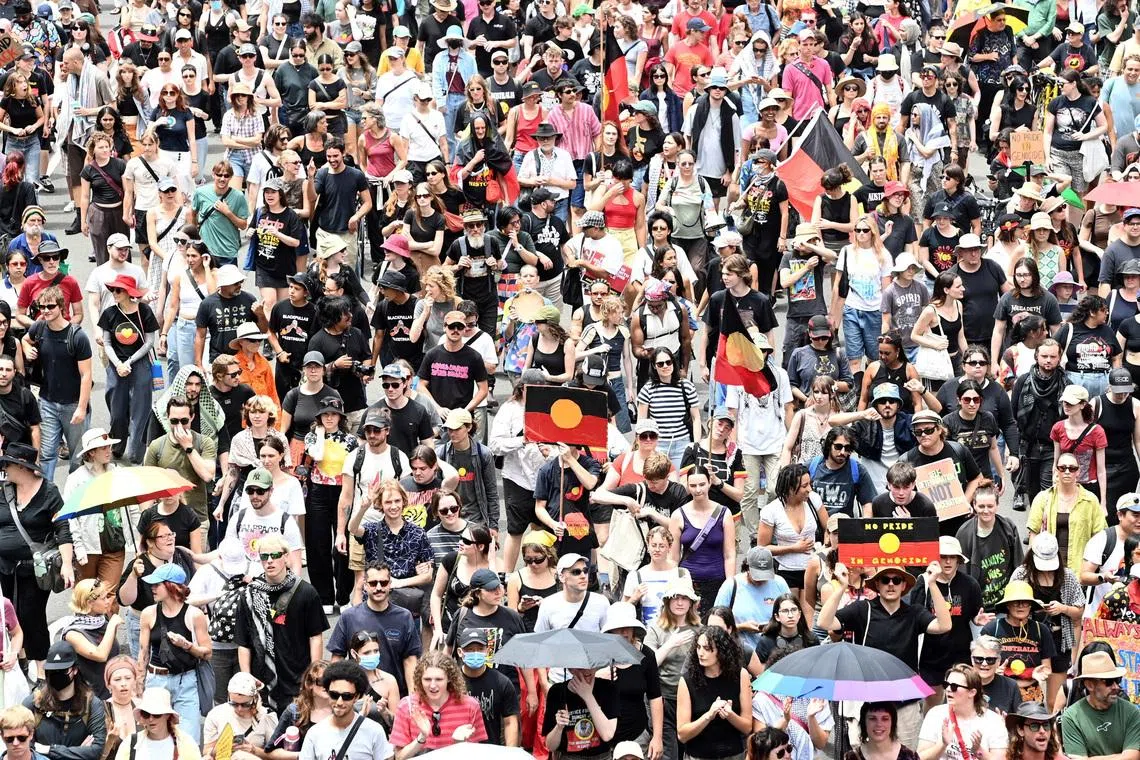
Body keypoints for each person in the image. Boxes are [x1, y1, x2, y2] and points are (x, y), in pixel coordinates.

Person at [818, 566, 953, 748]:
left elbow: (944, 625)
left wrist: (933, 584)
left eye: (896, 580)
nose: (891, 584)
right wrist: (842, 586)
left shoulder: (914, 612)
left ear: (903, 585)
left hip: (906, 700)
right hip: (869, 700)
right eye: (885, 580)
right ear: (877, 584)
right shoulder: (862, 609)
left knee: (906, 754)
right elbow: (824, 622)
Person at [235, 533, 329, 711]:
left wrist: (313, 675)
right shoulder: (249, 595)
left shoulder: (306, 592)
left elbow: (315, 637)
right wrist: (246, 677)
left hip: (297, 678)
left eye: (275, 555)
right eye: (264, 556)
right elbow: (243, 642)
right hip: (261, 681)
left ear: (286, 557)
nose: (270, 560)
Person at [20, 282, 93, 481]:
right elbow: (25, 339)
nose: (45, 311)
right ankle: (47, 498)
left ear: (61, 307)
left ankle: (75, 502)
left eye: (50, 306)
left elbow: (86, 375)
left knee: (78, 458)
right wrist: (27, 349)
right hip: (47, 403)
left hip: (73, 405)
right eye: (41, 307)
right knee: (46, 455)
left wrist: (81, 407)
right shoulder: (39, 327)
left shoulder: (77, 336)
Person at [910, 538, 987, 706]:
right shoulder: (923, 583)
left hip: (960, 655)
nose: (947, 561)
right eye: (943, 556)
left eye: (952, 557)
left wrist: (977, 619)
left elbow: (974, 613)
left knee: (960, 703)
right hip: (930, 657)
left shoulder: (970, 584)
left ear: (959, 560)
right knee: (933, 706)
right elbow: (915, 616)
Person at [327, 561, 421, 697]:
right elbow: (337, 657)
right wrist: (335, 694)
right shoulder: (349, 617)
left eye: (383, 583)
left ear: (390, 584)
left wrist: (413, 698)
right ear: (365, 586)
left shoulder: (404, 617)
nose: (378, 587)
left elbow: (410, 659)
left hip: (395, 695)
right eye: (373, 583)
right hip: (356, 696)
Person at [390, 650, 488, 754]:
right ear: (420, 679)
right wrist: (421, 737)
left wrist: (459, 743)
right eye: (427, 679)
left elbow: (477, 754)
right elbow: (399, 757)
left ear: (449, 679)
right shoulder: (407, 706)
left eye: (439, 679)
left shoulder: (470, 706)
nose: (433, 685)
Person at [24, 641, 106, 760]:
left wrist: (48, 750)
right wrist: (79, 753)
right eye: (51, 671)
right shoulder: (34, 702)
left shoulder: (92, 704)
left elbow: (96, 750)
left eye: (63, 670)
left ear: (75, 670)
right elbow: (22, 744)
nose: (56, 674)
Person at [298, 660, 393, 760]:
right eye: (334, 695)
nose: (339, 702)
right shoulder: (314, 734)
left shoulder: (374, 731)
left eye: (347, 696)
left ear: (356, 697)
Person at [956, 482, 1025, 610]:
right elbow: (961, 576)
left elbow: (1019, 566)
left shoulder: (1008, 528)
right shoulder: (964, 533)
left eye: (990, 506)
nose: (986, 511)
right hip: (978, 606)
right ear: (974, 505)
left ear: (997, 505)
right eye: (981, 506)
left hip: (1005, 602)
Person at [917, 664, 1008, 760]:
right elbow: (920, 757)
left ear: (972, 692)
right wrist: (942, 745)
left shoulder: (994, 721)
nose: (948, 689)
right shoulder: (935, 714)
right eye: (946, 685)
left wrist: (979, 751)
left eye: (954, 686)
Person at [1060, 651, 1140, 759]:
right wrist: (1121, 756)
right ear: (1090, 685)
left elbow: (1132, 757)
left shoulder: (1131, 712)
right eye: (1109, 682)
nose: (1116, 686)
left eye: (1117, 680)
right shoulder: (1072, 717)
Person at [712, 547, 790, 649]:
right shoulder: (731, 586)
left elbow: (792, 614)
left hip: (774, 648)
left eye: (765, 575)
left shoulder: (779, 583)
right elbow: (714, 625)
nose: (761, 580)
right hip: (741, 650)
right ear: (747, 568)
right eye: (757, 575)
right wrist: (741, 627)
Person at [59, 580, 121, 700]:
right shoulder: (72, 633)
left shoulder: (102, 620)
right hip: (90, 699)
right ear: (90, 603)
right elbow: (101, 655)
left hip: (113, 691)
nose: (108, 602)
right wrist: (112, 626)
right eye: (103, 598)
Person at [202, 672, 277, 760]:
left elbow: (276, 755)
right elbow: (206, 750)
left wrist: (254, 750)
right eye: (234, 703)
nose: (239, 709)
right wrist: (221, 747)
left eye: (245, 704)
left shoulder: (266, 716)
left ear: (254, 699)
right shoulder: (216, 714)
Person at [112, 687, 200, 760]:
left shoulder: (186, 743)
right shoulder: (130, 743)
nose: (151, 719)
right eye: (146, 714)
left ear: (167, 715)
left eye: (156, 714)